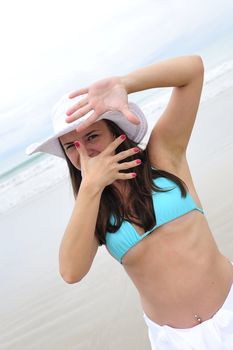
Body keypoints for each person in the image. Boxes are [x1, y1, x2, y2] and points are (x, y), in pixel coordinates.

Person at [26, 55, 233, 349]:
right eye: (71, 146)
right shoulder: (92, 208)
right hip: (175, 340)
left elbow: (193, 70)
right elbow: (71, 271)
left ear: (116, 133)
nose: (85, 151)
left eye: (93, 135)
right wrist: (91, 189)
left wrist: (126, 83)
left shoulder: (163, 156)